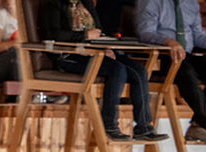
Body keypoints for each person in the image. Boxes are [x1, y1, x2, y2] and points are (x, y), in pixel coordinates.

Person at [40, 0, 167, 141]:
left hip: (96, 53)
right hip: (70, 55)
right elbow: (53, 35)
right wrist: (85, 36)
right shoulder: (54, 4)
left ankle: (143, 127)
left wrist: (106, 47)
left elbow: (99, 31)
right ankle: (109, 124)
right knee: (117, 70)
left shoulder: (86, 3)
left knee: (139, 71)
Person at [137, 0, 206, 147]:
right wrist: (168, 42)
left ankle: (197, 125)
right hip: (162, 55)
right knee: (186, 71)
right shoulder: (152, 2)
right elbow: (145, 33)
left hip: (186, 55)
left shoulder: (191, 3)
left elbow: (199, 37)